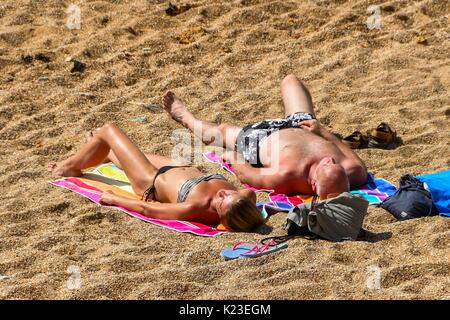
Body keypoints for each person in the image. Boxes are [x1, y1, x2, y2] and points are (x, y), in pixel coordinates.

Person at [161, 74, 368, 199]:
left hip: (260, 138)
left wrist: (229, 155)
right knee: (290, 80)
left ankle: (185, 116)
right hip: (303, 125)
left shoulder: (286, 176)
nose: (330, 159)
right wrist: (323, 132)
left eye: (326, 165)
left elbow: (250, 176)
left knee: (220, 132)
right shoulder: (354, 172)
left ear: (313, 184)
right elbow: (341, 147)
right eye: (333, 163)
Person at [47, 123, 264, 232]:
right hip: (177, 168)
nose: (223, 192)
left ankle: (68, 167)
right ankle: (95, 149)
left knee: (109, 130)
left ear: (222, 218)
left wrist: (114, 199)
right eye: (230, 194)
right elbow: (250, 195)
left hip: (150, 180)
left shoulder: (195, 207)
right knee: (113, 151)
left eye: (221, 202)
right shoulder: (241, 198)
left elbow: (149, 210)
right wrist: (241, 204)